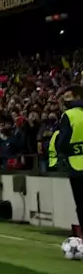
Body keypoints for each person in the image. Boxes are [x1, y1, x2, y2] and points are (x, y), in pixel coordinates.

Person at [51, 84, 83, 238]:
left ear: (78, 97)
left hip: (77, 164)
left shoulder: (69, 115)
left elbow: (62, 142)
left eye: (68, 98)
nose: (65, 101)